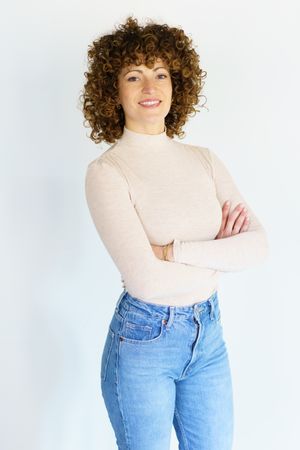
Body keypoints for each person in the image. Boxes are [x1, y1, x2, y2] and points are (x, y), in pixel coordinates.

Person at [80, 15, 269, 450]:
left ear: (176, 84)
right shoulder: (107, 172)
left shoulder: (204, 159)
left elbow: (257, 247)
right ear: (114, 92)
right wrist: (219, 251)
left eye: (160, 74)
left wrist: (170, 250)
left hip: (209, 335)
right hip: (145, 341)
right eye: (134, 75)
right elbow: (145, 280)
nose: (150, 87)